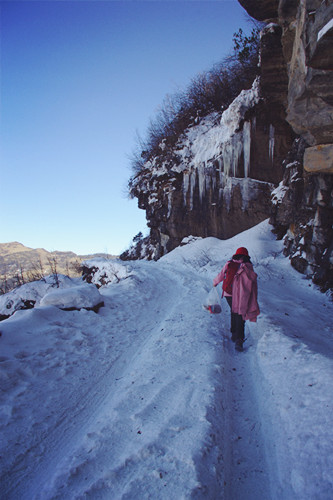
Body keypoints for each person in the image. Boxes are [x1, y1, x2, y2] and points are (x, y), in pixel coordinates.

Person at [213, 247, 260, 352]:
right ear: (246, 256)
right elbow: (253, 283)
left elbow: (221, 275)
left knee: (234, 312)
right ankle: (239, 340)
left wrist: (215, 282)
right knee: (240, 315)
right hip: (242, 296)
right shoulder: (248, 267)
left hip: (228, 294)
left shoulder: (229, 263)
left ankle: (234, 333)